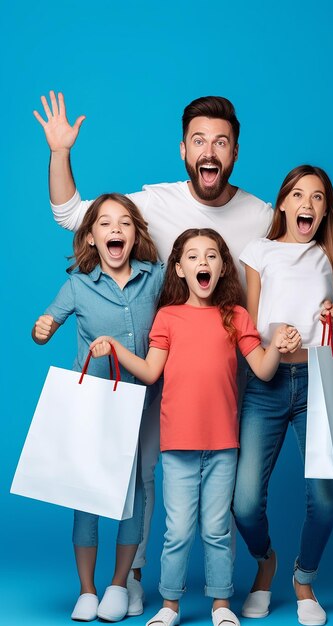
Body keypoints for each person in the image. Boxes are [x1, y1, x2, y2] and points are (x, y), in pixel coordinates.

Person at [33, 92, 333, 606]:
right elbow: (72, 215)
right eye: (199, 139)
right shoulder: (154, 203)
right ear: (184, 150)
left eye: (221, 141)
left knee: (229, 503)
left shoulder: (263, 216)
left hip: (238, 378)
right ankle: (130, 574)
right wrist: (61, 152)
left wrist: (325, 313)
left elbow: (308, 263)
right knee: (149, 471)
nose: (210, 149)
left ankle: (231, 587)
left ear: (235, 153)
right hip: (162, 365)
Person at [89, 228, 302, 626]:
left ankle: (221, 604)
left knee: (217, 530)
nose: (202, 263)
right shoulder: (168, 317)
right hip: (177, 447)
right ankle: (170, 606)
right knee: (178, 532)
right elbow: (152, 372)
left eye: (211, 256)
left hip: (224, 446)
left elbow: (263, 369)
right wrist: (117, 349)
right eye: (193, 256)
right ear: (179, 268)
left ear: (223, 268)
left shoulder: (236, 317)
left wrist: (277, 344)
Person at [232, 109, 333, 626]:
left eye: (318, 197)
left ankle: (303, 579)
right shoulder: (259, 251)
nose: (308, 204)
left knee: (326, 499)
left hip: (317, 382)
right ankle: (265, 562)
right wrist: (271, 340)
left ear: (324, 211)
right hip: (266, 382)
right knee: (245, 502)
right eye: (299, 194)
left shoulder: (328, 253)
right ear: (283, 203)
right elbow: (246, 326)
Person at [32, 193, 164, 622]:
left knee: (136, 493)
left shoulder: (156, 278)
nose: (115, 231)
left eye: (124, 223)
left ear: (135, 235)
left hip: (142, 403)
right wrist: (43, 329)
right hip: (91, 406)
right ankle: (87, 590)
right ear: (90, 237)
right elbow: (44, 329)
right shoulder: (77, 284)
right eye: (105, 224)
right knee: (87, 495)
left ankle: (118, 584)